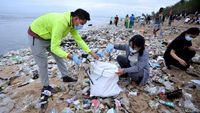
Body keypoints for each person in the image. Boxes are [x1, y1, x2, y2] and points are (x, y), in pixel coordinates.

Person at [28, 9, 99, 102]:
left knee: (59, 56)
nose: (82, 25)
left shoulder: (71, 23)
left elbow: (78, 39)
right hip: (37, 37)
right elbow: (54, 48)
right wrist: (71, 56)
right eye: (82, 23)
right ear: (76, 18)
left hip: (49, 36)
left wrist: (91, 52)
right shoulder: (61, 23)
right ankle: (45, 87)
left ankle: (65, 76)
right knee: (43, 63)